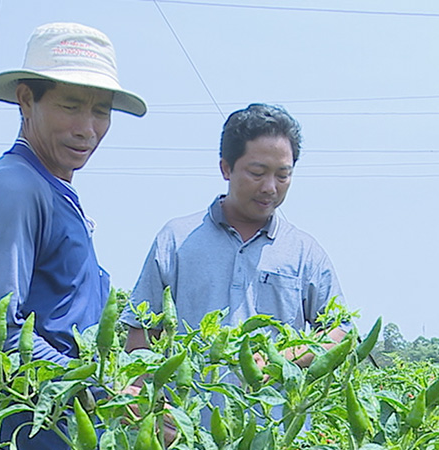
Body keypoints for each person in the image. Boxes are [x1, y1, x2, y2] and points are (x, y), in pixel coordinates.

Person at [0, 22, 147, 450]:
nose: (88, 128)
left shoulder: (53, 189)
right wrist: (102, 387)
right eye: (70, 106)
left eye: (101, 111)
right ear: (27, 100)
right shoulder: (16, 188)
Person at [122, 104, 348, 422]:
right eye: (257, 173)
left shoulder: (304, 252)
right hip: (183, 437)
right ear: (226, 168)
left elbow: (340, 331)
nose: (270, 187)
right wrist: (142, 404)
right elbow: (142, 338)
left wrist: (281, 358)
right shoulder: (177, 240)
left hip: (272, 441)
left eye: (283, 175)